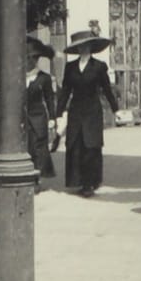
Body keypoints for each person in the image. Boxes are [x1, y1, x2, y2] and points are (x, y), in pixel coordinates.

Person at [57, 29, 118, 197]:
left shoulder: (99, 67)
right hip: (76, 111)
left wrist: (116, 109)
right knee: (76, 146)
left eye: (86, 46)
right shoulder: (70, 67)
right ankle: (78, 181)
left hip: (92, 112)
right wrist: (58, 113)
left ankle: (90, 183)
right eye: (80, 46)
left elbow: (107, 89)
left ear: (91, 47)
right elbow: (65, 92)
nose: (83, 49)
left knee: (91, 146)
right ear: (77, 49)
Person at [23, 36, 58, 186]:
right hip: (23, 119)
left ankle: (37, 178)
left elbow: (49, 99)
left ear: (36, 60)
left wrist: (52, 119)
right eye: (27, 58)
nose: (29, 61)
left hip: (38, 118)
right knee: (28, 147)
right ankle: (28, 175)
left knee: (39, 147)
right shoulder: (19, 78)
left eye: (32, 58)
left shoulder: (44, 78)